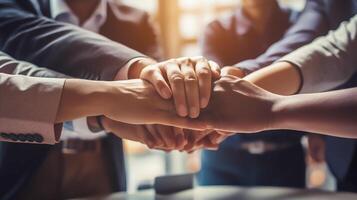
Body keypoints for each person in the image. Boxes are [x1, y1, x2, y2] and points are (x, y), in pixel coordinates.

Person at [0, 0, 221, 199]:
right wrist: (138, 72)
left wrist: (174, 117)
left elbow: (156, 94)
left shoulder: (136, 20)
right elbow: (24, 51)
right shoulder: (16, 6)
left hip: (101, 160)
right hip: (29, 164)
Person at [217, 0, 357, 192]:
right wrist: (241, 80)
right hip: (346, 164)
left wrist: (271, 110)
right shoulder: (217, 28)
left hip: (288, 153)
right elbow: (336, 49)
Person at [199, 0, 306, 187]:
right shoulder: (217, 29)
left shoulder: (300, 21)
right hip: (225, 154)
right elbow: (215, 87)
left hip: (286, 155)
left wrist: (319, 136)